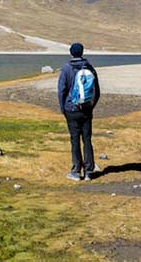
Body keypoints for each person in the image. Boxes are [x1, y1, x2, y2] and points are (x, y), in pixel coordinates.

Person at [57, 42, 101, 181]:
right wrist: (91, 106)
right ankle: (89, 171)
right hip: (86, 110)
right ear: (82, 52)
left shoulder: (66, 68)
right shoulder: (90, 68)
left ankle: (76, 171)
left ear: (71, 53)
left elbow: (61, 90)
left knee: (74, 139)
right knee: (87, 139)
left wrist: (63, 108)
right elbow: (97, 91)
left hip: (71, 109)